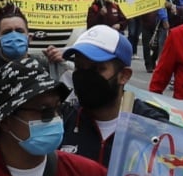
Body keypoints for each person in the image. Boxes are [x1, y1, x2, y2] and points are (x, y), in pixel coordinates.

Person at [60, 25, 153, 166]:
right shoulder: (63, 122)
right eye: (79, 67)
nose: (85, 76)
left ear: (124, 76)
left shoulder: (150, 126)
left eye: (97, 69)